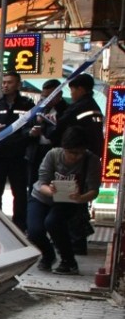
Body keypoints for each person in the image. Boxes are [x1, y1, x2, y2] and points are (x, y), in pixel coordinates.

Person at [26, 127, 100, 275]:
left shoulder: (91, 160)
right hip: (43, 197)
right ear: (64, 148)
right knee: (34, 231)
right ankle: (48, 255)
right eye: (72, 152)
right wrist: (51, 191)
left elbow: (94, 190)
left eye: (80, 153)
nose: (76, 157)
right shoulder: (53, 155)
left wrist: (81, 198)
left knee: (53, 222)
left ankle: (68, 261)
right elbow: (41, 183)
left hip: (69, 200)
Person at [50, 73, 104, 254]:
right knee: (79, 202)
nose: (71, 93)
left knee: (71, 201)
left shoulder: (79, 108)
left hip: (77, 161)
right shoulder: (95, 108)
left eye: (72, 89)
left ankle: (74, 242)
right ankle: (76, 242)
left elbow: (59, 130)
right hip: (90, 159)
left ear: (80, 89)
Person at [0, 70, 35, 230]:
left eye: (10, 82)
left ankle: (20, 227)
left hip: (18, 157)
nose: (6, 85)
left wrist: (24, 137)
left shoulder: (27, 105)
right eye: (4, 82)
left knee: (20, 194)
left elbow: (30, 129)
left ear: (18, 84)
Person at [25, 78, 66, 189]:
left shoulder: (66, 110)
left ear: (59, 94)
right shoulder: (38, 108)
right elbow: (26, 126)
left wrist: (46, 125)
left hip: (56, 151)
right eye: (44, 96)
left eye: (50, 96)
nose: (46, 100)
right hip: (36, 151)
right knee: (33, 184)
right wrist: (31, 132)